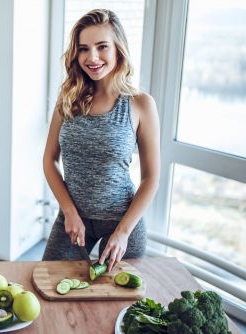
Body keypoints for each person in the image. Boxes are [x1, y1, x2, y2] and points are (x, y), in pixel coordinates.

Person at [42, 9, 160, 273]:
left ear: (118, 49)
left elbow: (151, 178)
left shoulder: (140, 104)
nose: (92, 57)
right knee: (48, 287)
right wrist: (69, 212)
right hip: (72, 219)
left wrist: (123, 232)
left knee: (115, 304)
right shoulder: (68, 99)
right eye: (83, 49)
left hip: (122, 222)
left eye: (102, 47)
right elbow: (49, 160)